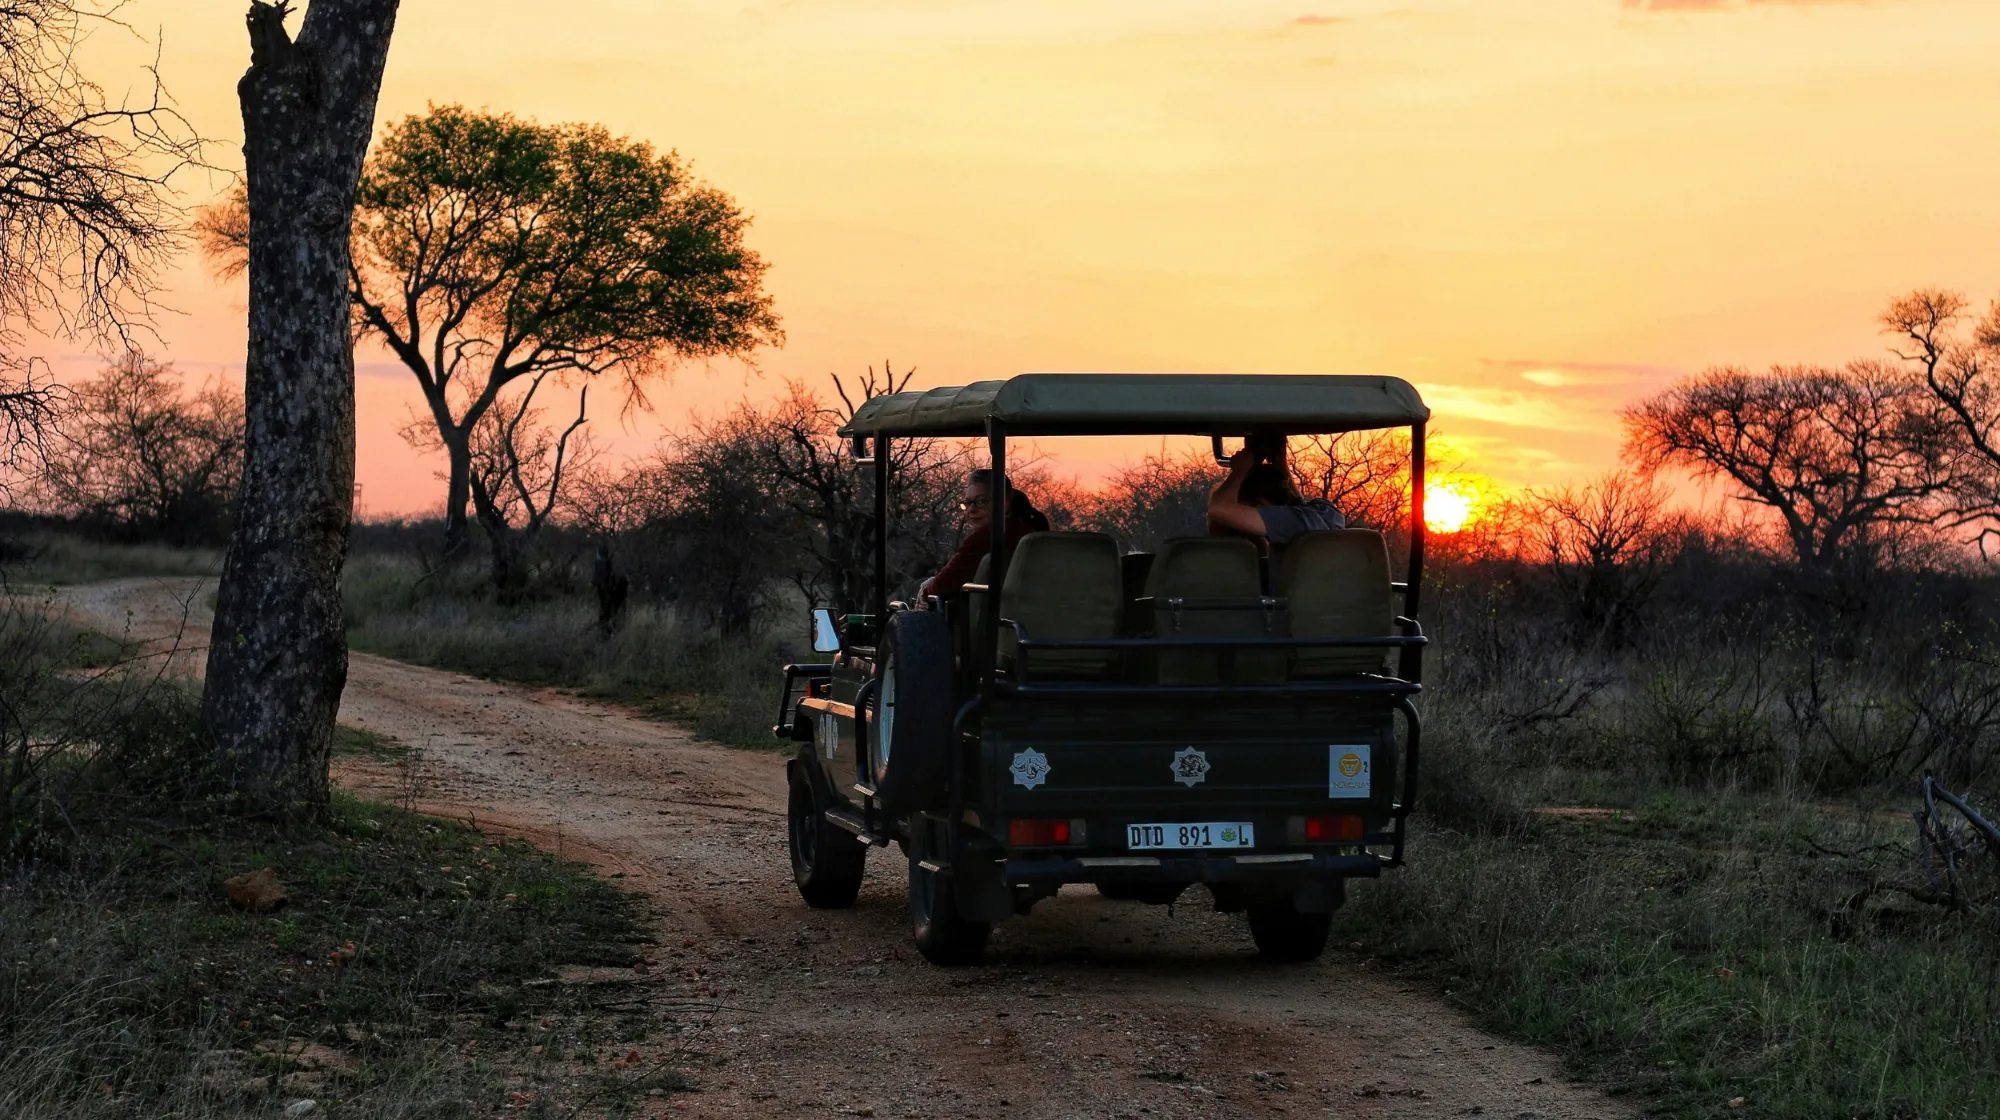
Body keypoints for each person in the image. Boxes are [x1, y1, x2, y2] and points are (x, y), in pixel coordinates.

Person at [918, 468, 1048, 603]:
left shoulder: (989, 536)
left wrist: (926, 590)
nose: (971, 510)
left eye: (982, 501)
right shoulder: (1032, 531)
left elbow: (943, 584)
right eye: (968, 503)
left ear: (1005, 502)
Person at [1206, 434, 1345, 551]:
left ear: (1259, 505)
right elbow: (1298, 510)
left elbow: (1218, 509)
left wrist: (1240, 471)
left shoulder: (1288, 525)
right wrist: (1281, 465)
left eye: (1243, 511)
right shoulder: (1325, 514)